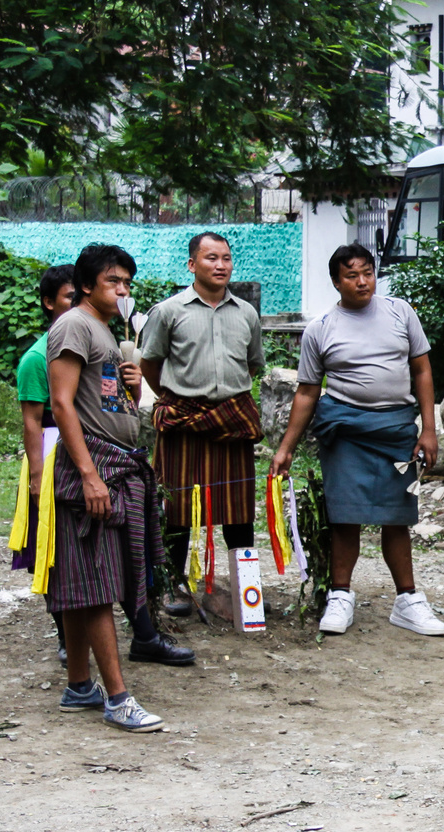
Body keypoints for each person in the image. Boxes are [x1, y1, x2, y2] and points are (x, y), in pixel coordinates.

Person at [39, 243, 191, 734]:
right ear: (87, 285)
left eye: (127, 283)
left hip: (118, 464)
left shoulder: (103, 331)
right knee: (100, 584)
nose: (123, 290)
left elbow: (100, 399)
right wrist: (88, 475)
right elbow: (62, 405)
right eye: (113, 282)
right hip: (97, 470)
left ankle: (79, 684)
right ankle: (118, 698)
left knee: (87, 581)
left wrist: (129, 382)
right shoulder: (73, 325)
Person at [269, 243, 444, 638]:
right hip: (345, 429)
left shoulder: (401, 312)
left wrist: (429, 429)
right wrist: (286, 448)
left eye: (367, 272)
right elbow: (306, 392)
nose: (362, 281)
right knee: (344, 516)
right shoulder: (321, 329)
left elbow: (422, 372)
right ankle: (340, 595)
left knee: (397, 516)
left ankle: (408, 600)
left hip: (396, 427)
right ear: (336, 282)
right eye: (352, 275)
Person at [139, 232, 266, 617]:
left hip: (232, 422)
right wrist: (175, 398)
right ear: (192, 264)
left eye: (226, 258)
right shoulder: (168, 311)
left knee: (239, 511)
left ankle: (248, 594)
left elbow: (253, 364)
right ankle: (172, 589)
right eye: (211, 258)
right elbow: (149, 361)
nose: (221, 265)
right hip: (183, 422)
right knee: (177, 508)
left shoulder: (247, 313)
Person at [8, 264, 75, 663]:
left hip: (88, 448)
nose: (76, 306)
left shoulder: (91, 346)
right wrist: (37, 478)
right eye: (69, 298)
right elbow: (32, 420)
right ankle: (65, 634)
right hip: (51, 455)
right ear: (50, 303)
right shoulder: (37, 358)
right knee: (52, 547)